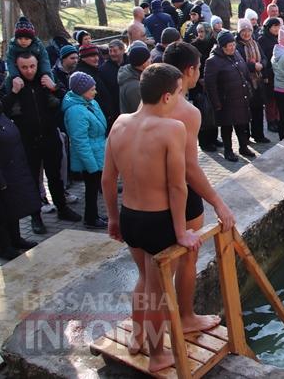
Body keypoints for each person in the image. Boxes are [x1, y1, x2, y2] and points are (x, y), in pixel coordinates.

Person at [102, 63, 202, 373]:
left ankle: (137, 334)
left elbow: (108, 179)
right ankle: (158, 354)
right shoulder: (171, 129)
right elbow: (176, 186)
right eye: (179, 93)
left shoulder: (119, 123)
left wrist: (113, 219)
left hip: (131, 217)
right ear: (167, 96)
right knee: (158, 291)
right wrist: (181, 232)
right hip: (158, 222)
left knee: (144, 280)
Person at [162, 42, 237, 334]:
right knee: (187, 258)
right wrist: (218, 202)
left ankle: (144, 332)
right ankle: (185, 317)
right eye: (198, 67)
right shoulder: (187, 111)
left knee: (151, 271)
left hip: (149, 198)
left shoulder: (147, 102)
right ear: (189, 70)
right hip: (181, 192)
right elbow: (190, 168)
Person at [0, 53, 80, 234]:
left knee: (55, 176)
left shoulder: (45, 80)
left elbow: (67, 99)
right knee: (33, 180)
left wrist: (53, 88)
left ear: (38, 65)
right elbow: (2, 108)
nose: (29, 71)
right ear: (17, 67)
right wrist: (13, 92)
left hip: (50, 137)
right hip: (28, 141)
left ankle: (62, 208)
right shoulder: (12, 84)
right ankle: (35, 217)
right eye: (24, 67)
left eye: (32, 66)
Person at [62, 72, 108, 229]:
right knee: (91, 189)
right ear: (81, 91)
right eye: (92, 89)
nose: (95, 92)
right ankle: (90, 218)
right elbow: (80, 142)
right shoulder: (76, 111)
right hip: (91, 158)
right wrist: (92, 166)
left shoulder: (90, 103)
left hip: (97, 152)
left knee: (93, 189)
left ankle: (94, 214)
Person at [0, 100, 40, 260]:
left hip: (12, 170)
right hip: (2, 174)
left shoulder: (2, 114)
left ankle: (15, 239)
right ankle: (4, 247)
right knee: (1, 214)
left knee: (13, 207)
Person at [204, 31, 253, 162]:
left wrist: (249, 87)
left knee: (242, 125)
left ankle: (243, 147)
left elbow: (245, 71)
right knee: (227, 127)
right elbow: (210, 85)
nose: (232, 47)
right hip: (225, 101)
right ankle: (228, 151)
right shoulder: (213, 61)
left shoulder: (236, 54)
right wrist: (216, 103)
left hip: (240, 97)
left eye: (233, 44)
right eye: (229, 45)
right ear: (222, 46)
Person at [235, 19, 270, 144]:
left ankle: (258, 134)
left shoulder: (255, 43)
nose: (246, 33)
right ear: (239, 32)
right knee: (245, 111)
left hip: (257, 82)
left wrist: (262, 64)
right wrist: (252, 67)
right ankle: (245, 138)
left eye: (249, 30)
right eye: (243, 31)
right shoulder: (237, 46)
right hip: (244, 82)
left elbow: (264, 57)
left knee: (258, 109)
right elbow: (239, 63)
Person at [3, 16, 53, 91]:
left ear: (32, 39)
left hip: (36, 69)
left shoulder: (38, 45)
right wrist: (15, 76)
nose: (23, 41)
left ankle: (50, 92)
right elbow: (10, 62)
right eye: (20, 38)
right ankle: (11, 93)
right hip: (19, 71)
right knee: (9, 80)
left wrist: (45, 73)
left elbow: (44, 59)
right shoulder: (13, 47)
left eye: (26, 39)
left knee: (49, 77)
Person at [76, 42, 115, 128]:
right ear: (83, 58)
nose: (96, 58)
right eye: (92, 56)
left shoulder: (94, 70)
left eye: (97, 55)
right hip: (97, 120)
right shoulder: (83, 75)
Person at [118, 43, 152, 114]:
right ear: (143, 64)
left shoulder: (132, 73)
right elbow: (140, 112)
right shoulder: (135, 87)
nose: (151, 61)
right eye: (149, 59)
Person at [99, 39, 127, 120]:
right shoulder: (104, 69)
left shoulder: (131, 63)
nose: (112, 54)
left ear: (122, 50)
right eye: (110, 51)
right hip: (115, 108)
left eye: (115, 51)